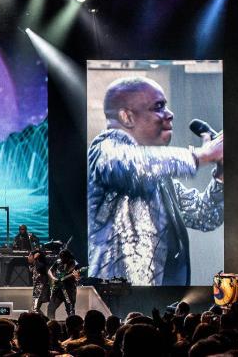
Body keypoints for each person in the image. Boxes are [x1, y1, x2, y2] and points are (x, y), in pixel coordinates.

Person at [88, 76, 224, 286]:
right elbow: (127, 164)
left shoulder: (160, 176)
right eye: (158, 107)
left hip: (165, 301)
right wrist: (202, 155)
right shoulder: (105, 149)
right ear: (127, 117)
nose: (169, 114)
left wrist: (222, 173)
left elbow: (205, 215)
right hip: (121, 303)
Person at [47, 249, 79, 320]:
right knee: (51, 307)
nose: (61, 259)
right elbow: (49, 270)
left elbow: (77, 277)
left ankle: (72, 326)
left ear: (67, 257)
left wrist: (76, 276)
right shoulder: (58, 262)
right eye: (60, 257)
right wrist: (53, 278)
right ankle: (51, 324)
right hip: (58, 290)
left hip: (68, 290)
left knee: (70, 310)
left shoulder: (74, 264)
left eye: (63, 257)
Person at [27, 247, 50, 314]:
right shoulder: (34, 265)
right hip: (37, 290)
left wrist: (36, 258)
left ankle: (42, 322)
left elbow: (40, 268)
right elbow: (31, 267)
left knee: (35, 309)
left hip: (40, 290)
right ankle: (43, 321)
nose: (28, 257)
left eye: (30, 255)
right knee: (35, 309)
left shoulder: (41, 265)